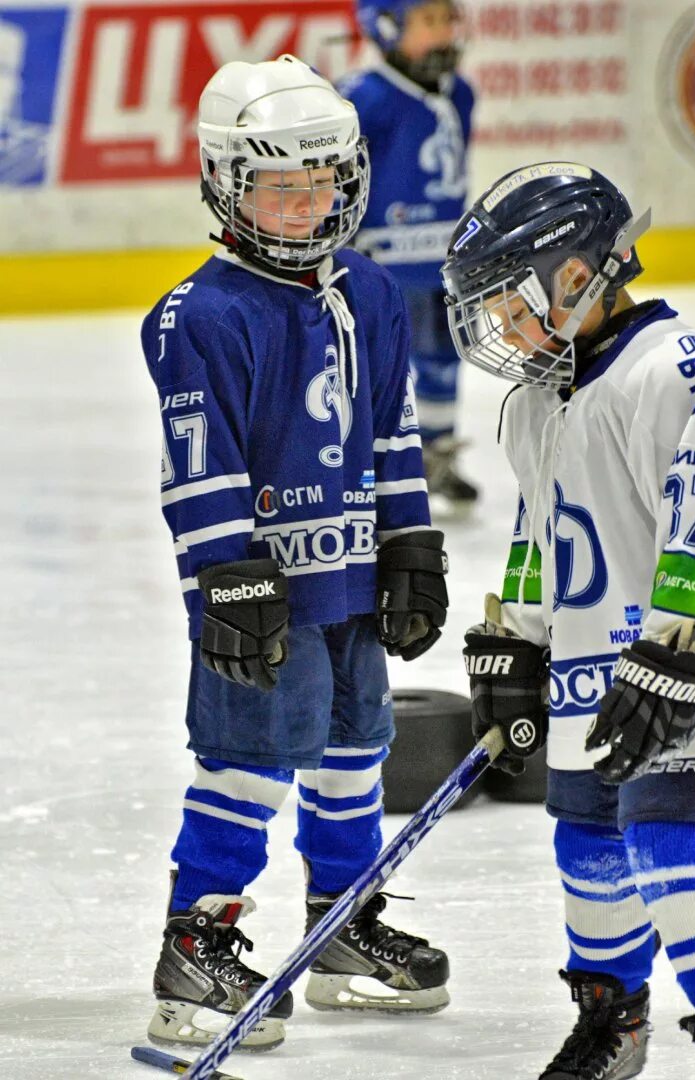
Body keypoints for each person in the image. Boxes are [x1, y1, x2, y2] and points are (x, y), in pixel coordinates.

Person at [139, 54, 451, 1054]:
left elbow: (391, 433)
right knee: (246, 763)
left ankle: (339, 923)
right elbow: (201, 467)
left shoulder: (368, 288)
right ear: (229, 185)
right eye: (282, 185)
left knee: (358, 752)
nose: (309, 201)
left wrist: (408, 543)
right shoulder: (202, 316)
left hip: (351, 575)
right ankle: (197, 944)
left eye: (323, 179)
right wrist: (226, 576)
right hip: (262, 589)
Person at [441, 161, 695, 1078]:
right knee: (589, 841)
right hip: (589, 669)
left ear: (575, 275)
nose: (498, 325)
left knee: (671, 839)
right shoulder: (536, 397)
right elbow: (539, 525)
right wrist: (516, 639)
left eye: (508, 301)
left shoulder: (678, 371)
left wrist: (677, 646)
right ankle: (614, 1020)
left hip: (679, 667)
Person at [339, 0, 479, 511]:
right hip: (384, 266)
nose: (443, 33)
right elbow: (339, 177)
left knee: (444, 358)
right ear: (385, 27)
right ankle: (372, 469)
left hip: (444, 261)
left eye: (447, 20)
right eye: (428, 22)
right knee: (380, 368)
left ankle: (438, 456)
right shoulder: (363, 97)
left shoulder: (460, 92)